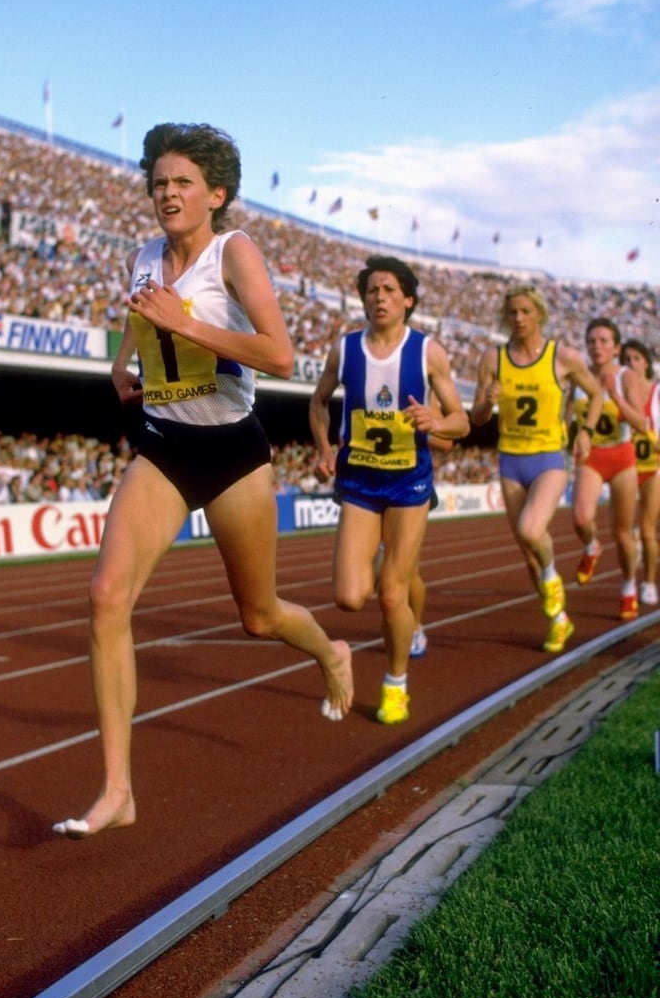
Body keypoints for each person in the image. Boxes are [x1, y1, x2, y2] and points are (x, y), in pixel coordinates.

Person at [53, 122, 353, 838]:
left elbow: (279, 356)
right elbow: (142, 318)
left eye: (182, 181)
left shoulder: (234, 252)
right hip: (163, 446)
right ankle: (118, 789)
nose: (167, 193)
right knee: (104, 597)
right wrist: (124, 360)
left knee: (259, 615)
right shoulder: (141, 256)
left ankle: (331, 650)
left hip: (231, 451)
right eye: (158, 181)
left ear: (216, 194)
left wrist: (188, 327)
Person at [309, 255, 469, 726]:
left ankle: (395, 683)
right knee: (348, 596)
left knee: (393, 594)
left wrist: (436, 421)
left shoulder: (427, 352)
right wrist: (324, 449)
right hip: (359, 483)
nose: (379, 297)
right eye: (372, 290)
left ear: (408, 301)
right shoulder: (344, 350)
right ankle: (394, 591)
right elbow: (318, 402)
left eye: (388, 290)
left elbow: (460, 421)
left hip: (408, 484)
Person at [470, 285, 602, 655]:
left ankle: (552, 580)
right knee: (528, 551)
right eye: (512, 312)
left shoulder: (563, 357)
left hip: (549, 456)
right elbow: (476, 418)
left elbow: (597, 395)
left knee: (532, 529)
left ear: (539, 314)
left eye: (526, 311)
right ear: (504, 317)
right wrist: (487, 403)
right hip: (510, 458)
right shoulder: (493, 359)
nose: (519, 319)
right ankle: (558, 619)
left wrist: (586, 432)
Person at [570, 318, 646, 622]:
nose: (596, 346)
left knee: (623, 533)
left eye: (603, 341)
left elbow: (641, 424)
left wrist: (614, 396)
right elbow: (566, 416)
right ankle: (591, 546)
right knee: (581, 517)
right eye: (591, 341)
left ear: (616, 348)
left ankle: (628, 586)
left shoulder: (627, 377)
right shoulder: (579, 376)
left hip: (622, 457)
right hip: (592, 456)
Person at [620, 339, 660, 606]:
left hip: (655, 468)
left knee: (647, 530)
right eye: (626, 360)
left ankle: (648, 583)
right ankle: (629, 582)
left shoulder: (658, 392)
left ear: (646, 362)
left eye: (636, 358)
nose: (631, 364)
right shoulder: (621, 392)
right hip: (627, 469)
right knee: (621, 530)